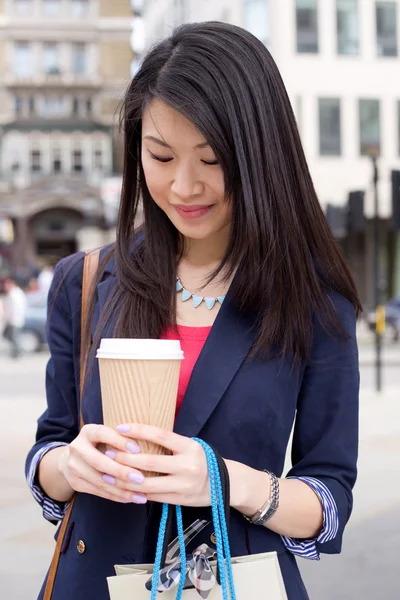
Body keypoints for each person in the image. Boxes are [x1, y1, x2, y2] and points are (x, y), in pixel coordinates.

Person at [25, 22, 360, 600]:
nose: (184, 186)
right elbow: (49, 451)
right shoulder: (84, 283)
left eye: (211, 160)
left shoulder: (312, 299)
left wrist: (228, 482)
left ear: (259, 157)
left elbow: (329, 500)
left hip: (236, 584)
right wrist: (68, 467)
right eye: (160, 156)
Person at [3, 276, 27, 358]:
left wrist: (10, 318)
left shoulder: (14, 294)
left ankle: (17, 353)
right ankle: (16, 352)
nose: (5, 286)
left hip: (15, 319)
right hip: (17, 318)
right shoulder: (16, 292)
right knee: (15, 337)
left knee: (15, 338)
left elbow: (14, 308)